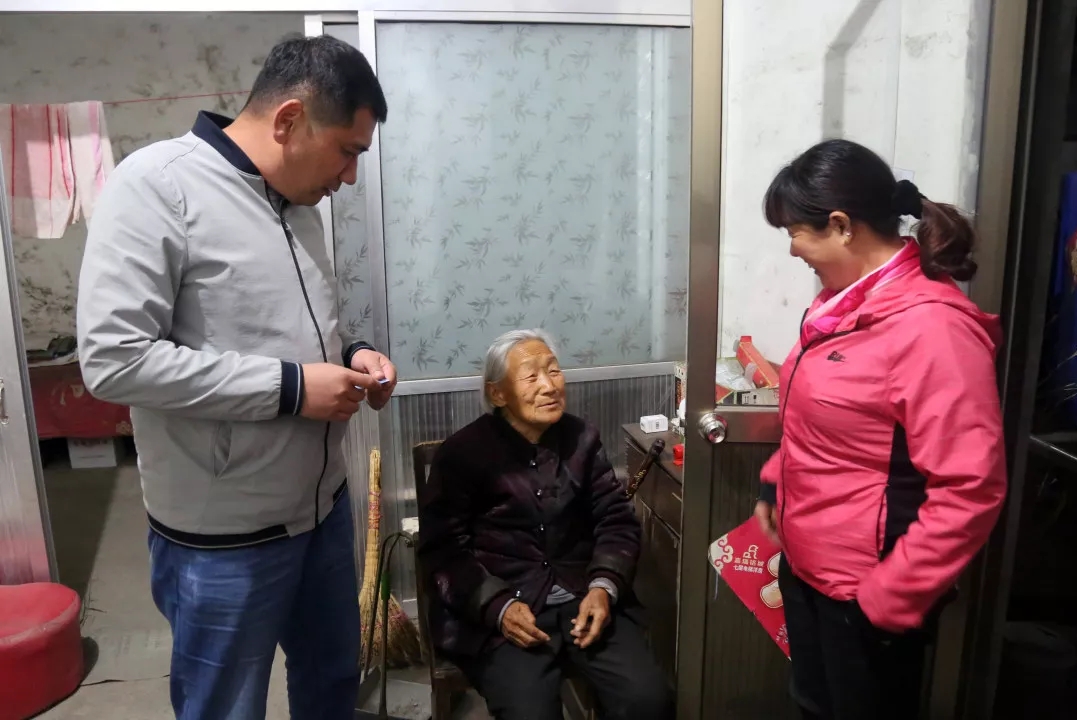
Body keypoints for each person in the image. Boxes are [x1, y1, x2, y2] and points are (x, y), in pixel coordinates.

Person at [76, 35, 396, 720]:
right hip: (224, 538)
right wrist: (293, 389)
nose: (349, 177)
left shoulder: (301, 207)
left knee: (333, 680)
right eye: (347, 151)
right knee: (225, 706)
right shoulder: (157, 186)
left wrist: (354, 354)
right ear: (288, 120)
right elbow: (113, 358)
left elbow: (301, 327)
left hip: (323, 509)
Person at [753, 139, 1007, 720]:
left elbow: (971, 487)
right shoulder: (839, 309)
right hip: (808, 568)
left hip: (865, 592)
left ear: (842, 226)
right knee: (812, 705)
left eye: (795, 232)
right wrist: (775, 481)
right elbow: (819, 423)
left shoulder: (932, 329)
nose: (792, 249)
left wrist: (888, 598)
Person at [418, 329, 673, 720]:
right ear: (497, 394)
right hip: (503, 609)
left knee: (648, 700)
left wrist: (604, 586)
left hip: (582, 596)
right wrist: (498, 607)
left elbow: (616, 519)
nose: (549, 386)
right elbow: (443, 550)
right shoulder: (462, 454)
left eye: (553, 371)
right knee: (531, 713)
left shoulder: (581, 439)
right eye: (532, 377)